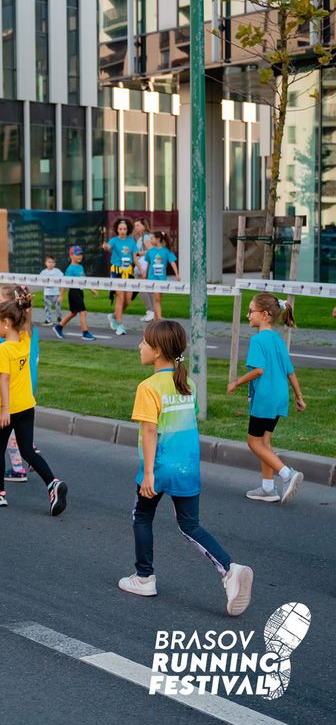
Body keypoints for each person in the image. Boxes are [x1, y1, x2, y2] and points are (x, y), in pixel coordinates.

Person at [120, 320, 254, 616]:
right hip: (188, 467)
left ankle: (144, 578)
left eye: (143, 342)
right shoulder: (188, 383)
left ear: (157, 352)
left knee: (141, 516)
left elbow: (150, 432)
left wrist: (150, 474)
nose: (139, 346)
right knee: (190, 525)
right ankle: (230, 570)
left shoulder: (148, 387)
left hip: (160, 467)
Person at [0, 292, 68, 514]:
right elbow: (27, 325)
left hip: (7, 409)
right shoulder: (24, 341)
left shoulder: (3, 350)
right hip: (27, 405)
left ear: (7, 323)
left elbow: (4, 381)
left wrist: (4, 411)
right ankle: (52, 483)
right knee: (27, 450)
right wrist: (27, 307)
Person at [226, 293, 306, 504]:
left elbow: (258, 370)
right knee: (265, 441)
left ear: (265, 314)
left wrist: (236, 382)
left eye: (251, 311)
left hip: (265, 397)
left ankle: (287, 474)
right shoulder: (279, 340)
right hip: (280, 397)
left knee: (253, 442)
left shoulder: (257, 340)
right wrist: (299, 396)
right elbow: (290, 371)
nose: (247, 315)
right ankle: (268, 488)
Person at [0, 284, 41, 481]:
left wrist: (4, 407)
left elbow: (1, 371)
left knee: (5, 438)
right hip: (25, 388)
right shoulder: (25, 334)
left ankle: (17, 469)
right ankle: (25, 456)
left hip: (11, 394)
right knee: (19, 437)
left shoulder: (5, 340)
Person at [54, 246, 98, 341]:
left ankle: (59, 327)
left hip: (80, 292)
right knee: (83, 312)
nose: (80, 256)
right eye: (77, 254)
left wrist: (92, 289)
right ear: (71, 256)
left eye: (81, 254)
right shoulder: (70, 269)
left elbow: (84, 280)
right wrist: (61, 295)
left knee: (73, 313)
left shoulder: (80, 267)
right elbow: (64, 282)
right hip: (74, 293)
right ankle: (85, 333)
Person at [102, 218, 138, 335]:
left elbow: (134, 257)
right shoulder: (113, 240)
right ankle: (119, 324)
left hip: (128, 273)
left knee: (128, 299)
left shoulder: (131, 241)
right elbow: (108, 247)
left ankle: (114, 316)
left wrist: (141, 270)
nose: (122, 231)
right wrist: (105, 246)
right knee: (120, 296)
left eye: (125, 229)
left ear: (128, 230)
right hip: (116, 271)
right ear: (117, 230)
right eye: (120, 229)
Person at [143, 231, 179, 321]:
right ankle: (158, 319)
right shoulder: (150, 252)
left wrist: (177, 274)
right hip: (152, 278)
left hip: (162, 279)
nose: (150, 240)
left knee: (159, 299)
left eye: (152, 238)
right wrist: (145, 273)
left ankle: (156, 318)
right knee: (156, 298)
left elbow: (172, 262)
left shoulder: (166, 251)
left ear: (158, 239)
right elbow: (148, 263)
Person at [131, 217, 156, 322]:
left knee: (140, 287)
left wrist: (138, 253)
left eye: (138, 225)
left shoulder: (146, 237)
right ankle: (152, 312)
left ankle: (150, 311)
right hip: (141, 265)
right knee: (146, 288)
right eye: (135, 225)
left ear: (144, 226)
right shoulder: (141, 238)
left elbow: (151, 251)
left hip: (144, 265)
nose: (136, 228)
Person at [38, 255, 63, 325]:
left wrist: (61, 293)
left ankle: (59, 318)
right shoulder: (43, 272)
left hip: (56, 293)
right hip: (47, 293)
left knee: (58, 307)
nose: (51, 263)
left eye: (53, 262)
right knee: (47, 307)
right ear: (46, 263)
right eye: (49, 262)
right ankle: (48, 320)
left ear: (55, 264)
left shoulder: (57, 271)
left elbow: (63, 279)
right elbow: (39, 280)